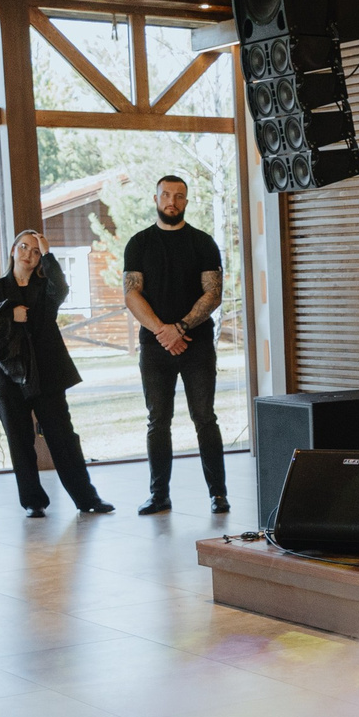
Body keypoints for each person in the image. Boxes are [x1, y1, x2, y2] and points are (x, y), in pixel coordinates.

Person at [0, 229, 111, 518]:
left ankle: (86, 499)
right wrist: (9, 313)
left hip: (47, 373)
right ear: (13, 249)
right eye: (24, 247)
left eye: (36, 251)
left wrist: (50, 252)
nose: (28, 254)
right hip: (8, 375)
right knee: (20, 442)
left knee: (63, 437)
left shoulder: (46, 286)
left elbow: (62, 288)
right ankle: (33, 502)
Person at [121, 174, 228, 515]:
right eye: (166, 195)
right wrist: (163, 332)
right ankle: (159, 495)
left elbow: (213, 293)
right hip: (155, 346)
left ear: (186, 201)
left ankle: (219, 494)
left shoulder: (203, 243)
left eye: (179, 196)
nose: (172, 201)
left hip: (196, 344)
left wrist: (179, 328)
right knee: (158, 421)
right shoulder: (138, 243)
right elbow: (131, 293)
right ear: (156, 199)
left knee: (204, 418)